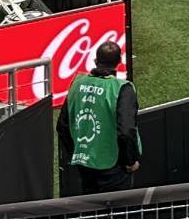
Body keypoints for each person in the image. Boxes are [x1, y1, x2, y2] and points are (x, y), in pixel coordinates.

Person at [56, 37, 140, 196]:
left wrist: (77, 153)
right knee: (119, 215)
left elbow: (62, 126)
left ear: (95, 60)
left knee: (92, 214)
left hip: (84, 164)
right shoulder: (122, 89)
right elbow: (126, 131)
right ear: (119, 62)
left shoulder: (77, 83)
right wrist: (130, 161)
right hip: (113, 166)